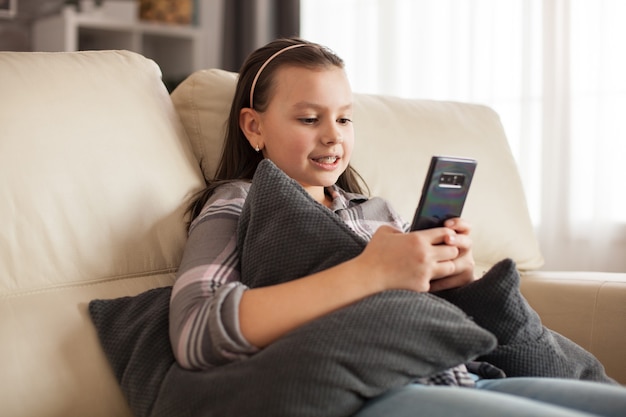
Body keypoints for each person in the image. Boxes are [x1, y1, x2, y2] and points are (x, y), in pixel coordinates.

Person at [169, 37, 626, 417]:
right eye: (309, 119)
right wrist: (372, 273)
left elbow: (425, 314)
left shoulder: (378, 212)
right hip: (378, 392)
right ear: (254, 127)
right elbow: (196, 332)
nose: (334, 135)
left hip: (466, 377)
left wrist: (457, 280)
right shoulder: (237, 202)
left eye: (345, 118)